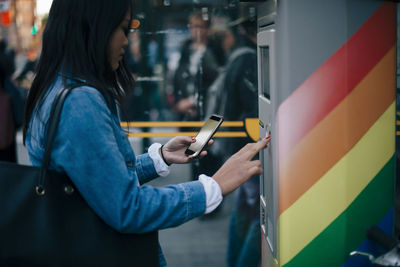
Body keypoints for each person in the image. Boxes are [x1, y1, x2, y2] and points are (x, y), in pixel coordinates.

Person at [22, 0, 270, 266]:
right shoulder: (80, 102)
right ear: (94, 29)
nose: (127, 41)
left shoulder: (56, 86)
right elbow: (127, 208)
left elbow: (94, 180)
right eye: (122, 28)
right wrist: (214, 186)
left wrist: (158, 158)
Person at [205, 17, 260, 267]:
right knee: (259, 216)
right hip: (250, 147)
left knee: (247, 209)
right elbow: (254, 109)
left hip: (237, 146)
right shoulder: (249, 59)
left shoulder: (235, 58)